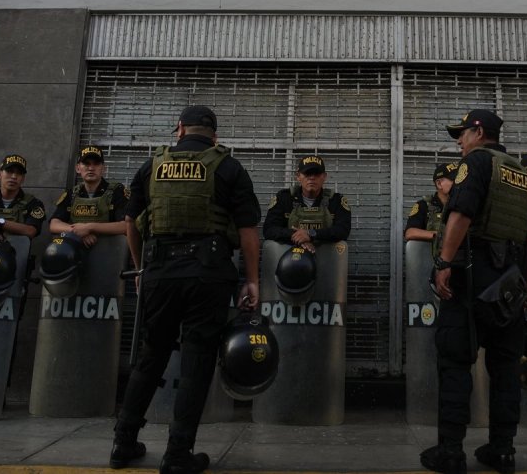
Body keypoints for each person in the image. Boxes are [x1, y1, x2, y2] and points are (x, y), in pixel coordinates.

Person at [109, 105, 261, 474]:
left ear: (179, 129)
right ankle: (177, 453)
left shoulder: (152, 165)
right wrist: (252, 280)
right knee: (197, 361)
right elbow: (247, 231)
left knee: (151, 355)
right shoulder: (229, 167)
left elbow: (130, 221)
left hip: (160, 270)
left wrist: (139, 266)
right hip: (208, 274)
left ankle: (122, 444)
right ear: (215, 135)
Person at [422, 109, 527, 474]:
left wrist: (443, 263)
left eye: (462, 133)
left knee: (455, 361)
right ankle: (503, 450)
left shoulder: (475, 163)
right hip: (511, 282)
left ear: (477, 131)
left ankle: (451, 452)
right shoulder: (521, 174)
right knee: (505, 366)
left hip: (473, 274)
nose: (458, 140)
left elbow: (460, 216)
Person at [263, 154, 351, 250]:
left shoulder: (335, 200)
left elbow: (343, 230)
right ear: (298, 176)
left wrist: (311, 234)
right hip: (289, 256)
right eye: (307, 173)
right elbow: (269, 229)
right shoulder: (284, 198)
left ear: (324, 177)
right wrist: (298, 237)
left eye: (316, 173)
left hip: (327, 257)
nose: (312, 177)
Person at [49, 145, 128, 247]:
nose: (91, 168)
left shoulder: (117, 191)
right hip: (74, 251)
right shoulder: (72, 194)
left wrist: (89, 228)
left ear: (103, 168)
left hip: (109, 251)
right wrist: (78, 231)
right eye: (86, 164)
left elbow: (125, 226)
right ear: (78, 168)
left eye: (96, 164)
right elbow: (54, 224)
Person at [404, 162, 458, 243]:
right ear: (439, 184)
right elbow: (410, 233)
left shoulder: (462, 205)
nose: (459, 183)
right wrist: (439, 236)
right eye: (454, 180)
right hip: (431, 255)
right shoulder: (424, 205)